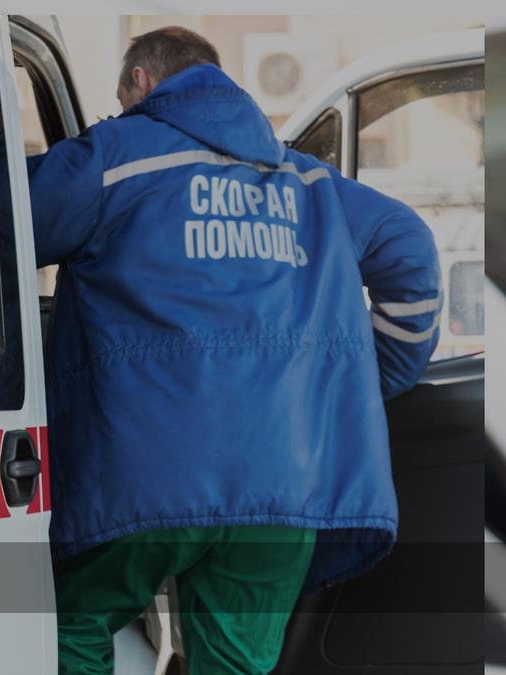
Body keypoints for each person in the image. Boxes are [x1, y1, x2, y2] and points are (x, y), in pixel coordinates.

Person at [27, 27, 440, 674]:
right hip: (284, 480)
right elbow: (409, 247)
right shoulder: (311, 182)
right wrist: (365, 378)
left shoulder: (113, 157)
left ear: (141, 82)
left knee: (70, 624)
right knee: (236, 664)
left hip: (139, 472)